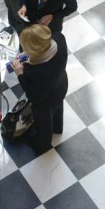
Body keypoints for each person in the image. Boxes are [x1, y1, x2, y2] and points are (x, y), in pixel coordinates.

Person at [12, 24, 68, 154]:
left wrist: (20, 74)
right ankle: (58, 128)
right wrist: (27, 55)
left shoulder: (39, 73)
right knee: (58, 108)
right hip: (61, 85)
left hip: (46, 100)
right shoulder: (59, 39)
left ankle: (42, 145)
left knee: (44, 122)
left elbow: (34, 96)